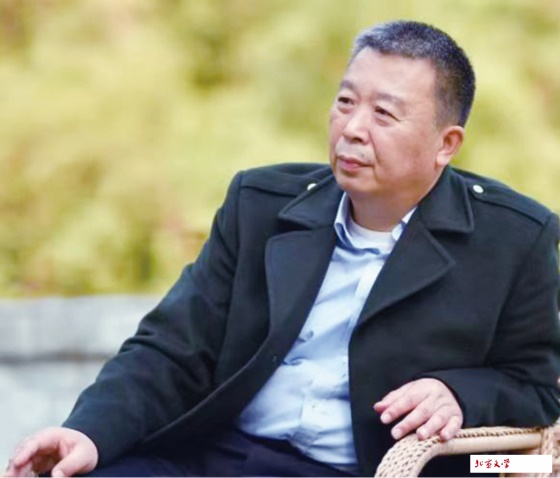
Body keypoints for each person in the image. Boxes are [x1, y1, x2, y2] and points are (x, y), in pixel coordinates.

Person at [5, 20, 560, 478]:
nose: (352, 129)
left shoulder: (513, 239)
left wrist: (457, 392)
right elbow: (171, 348)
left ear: (446, 144)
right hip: (214, 456)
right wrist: (88, 433)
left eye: (384, 114)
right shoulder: (261, 204)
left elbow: (539, 386)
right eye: (345, 102)